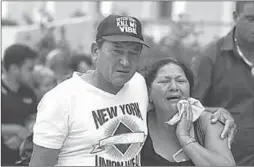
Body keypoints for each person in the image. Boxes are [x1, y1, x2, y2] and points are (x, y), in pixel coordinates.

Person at [29, 14, 236, 166]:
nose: (125, 62)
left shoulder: (138, 85)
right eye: (116, 52)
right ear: (95, 51)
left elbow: (171, 103)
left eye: (133, 53)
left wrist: (217, 112)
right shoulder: (61, 99)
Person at [191, 1, 254, 165]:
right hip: (230, 159)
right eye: (250, 19)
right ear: (235, 17)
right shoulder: (210, 58)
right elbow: (193, 108)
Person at [141, 58, 235, 166]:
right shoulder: (139, 124)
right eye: (164, 81)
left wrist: (185, 139)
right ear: (148, 92)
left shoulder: (209, 122)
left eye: (181, 81)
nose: (174, 87)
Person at [1, 44, 38, 165]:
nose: (33, 73)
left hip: (24, 160)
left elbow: (35, 120)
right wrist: (16, 129)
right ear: (14, 69)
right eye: (29, 69)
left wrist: (24, 135)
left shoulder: (29, 92)